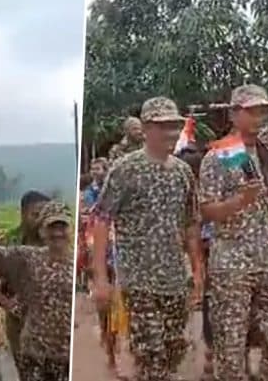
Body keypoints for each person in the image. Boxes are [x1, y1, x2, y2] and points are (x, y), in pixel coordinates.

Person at [91, 96, 203, 381]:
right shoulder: (125, 169)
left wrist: (197, 268)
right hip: (138, 280)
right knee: (151, 353)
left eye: (174, 126)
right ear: (146, 128)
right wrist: (101, 278)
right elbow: (102, 220)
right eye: (162, 126)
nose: (171, 132)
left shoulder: (182, 172)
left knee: (175, 347)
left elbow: (190, 222)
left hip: (175, 279)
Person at [199, 85, 268, 381]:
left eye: (262, 111)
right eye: (251, 111)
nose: (258, 117)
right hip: (232, 259)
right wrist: (239, 201)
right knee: (231, 343)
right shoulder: (221, 154)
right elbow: (206, 210)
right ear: (234, 114)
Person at [0, 196, 74, 381]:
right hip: (35, 355)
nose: (57, 233)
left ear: (70, 229)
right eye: (52, 227)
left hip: (66, 357)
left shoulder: (76, 265)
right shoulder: (28, 258)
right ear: (42, 231)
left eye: (62, 227)